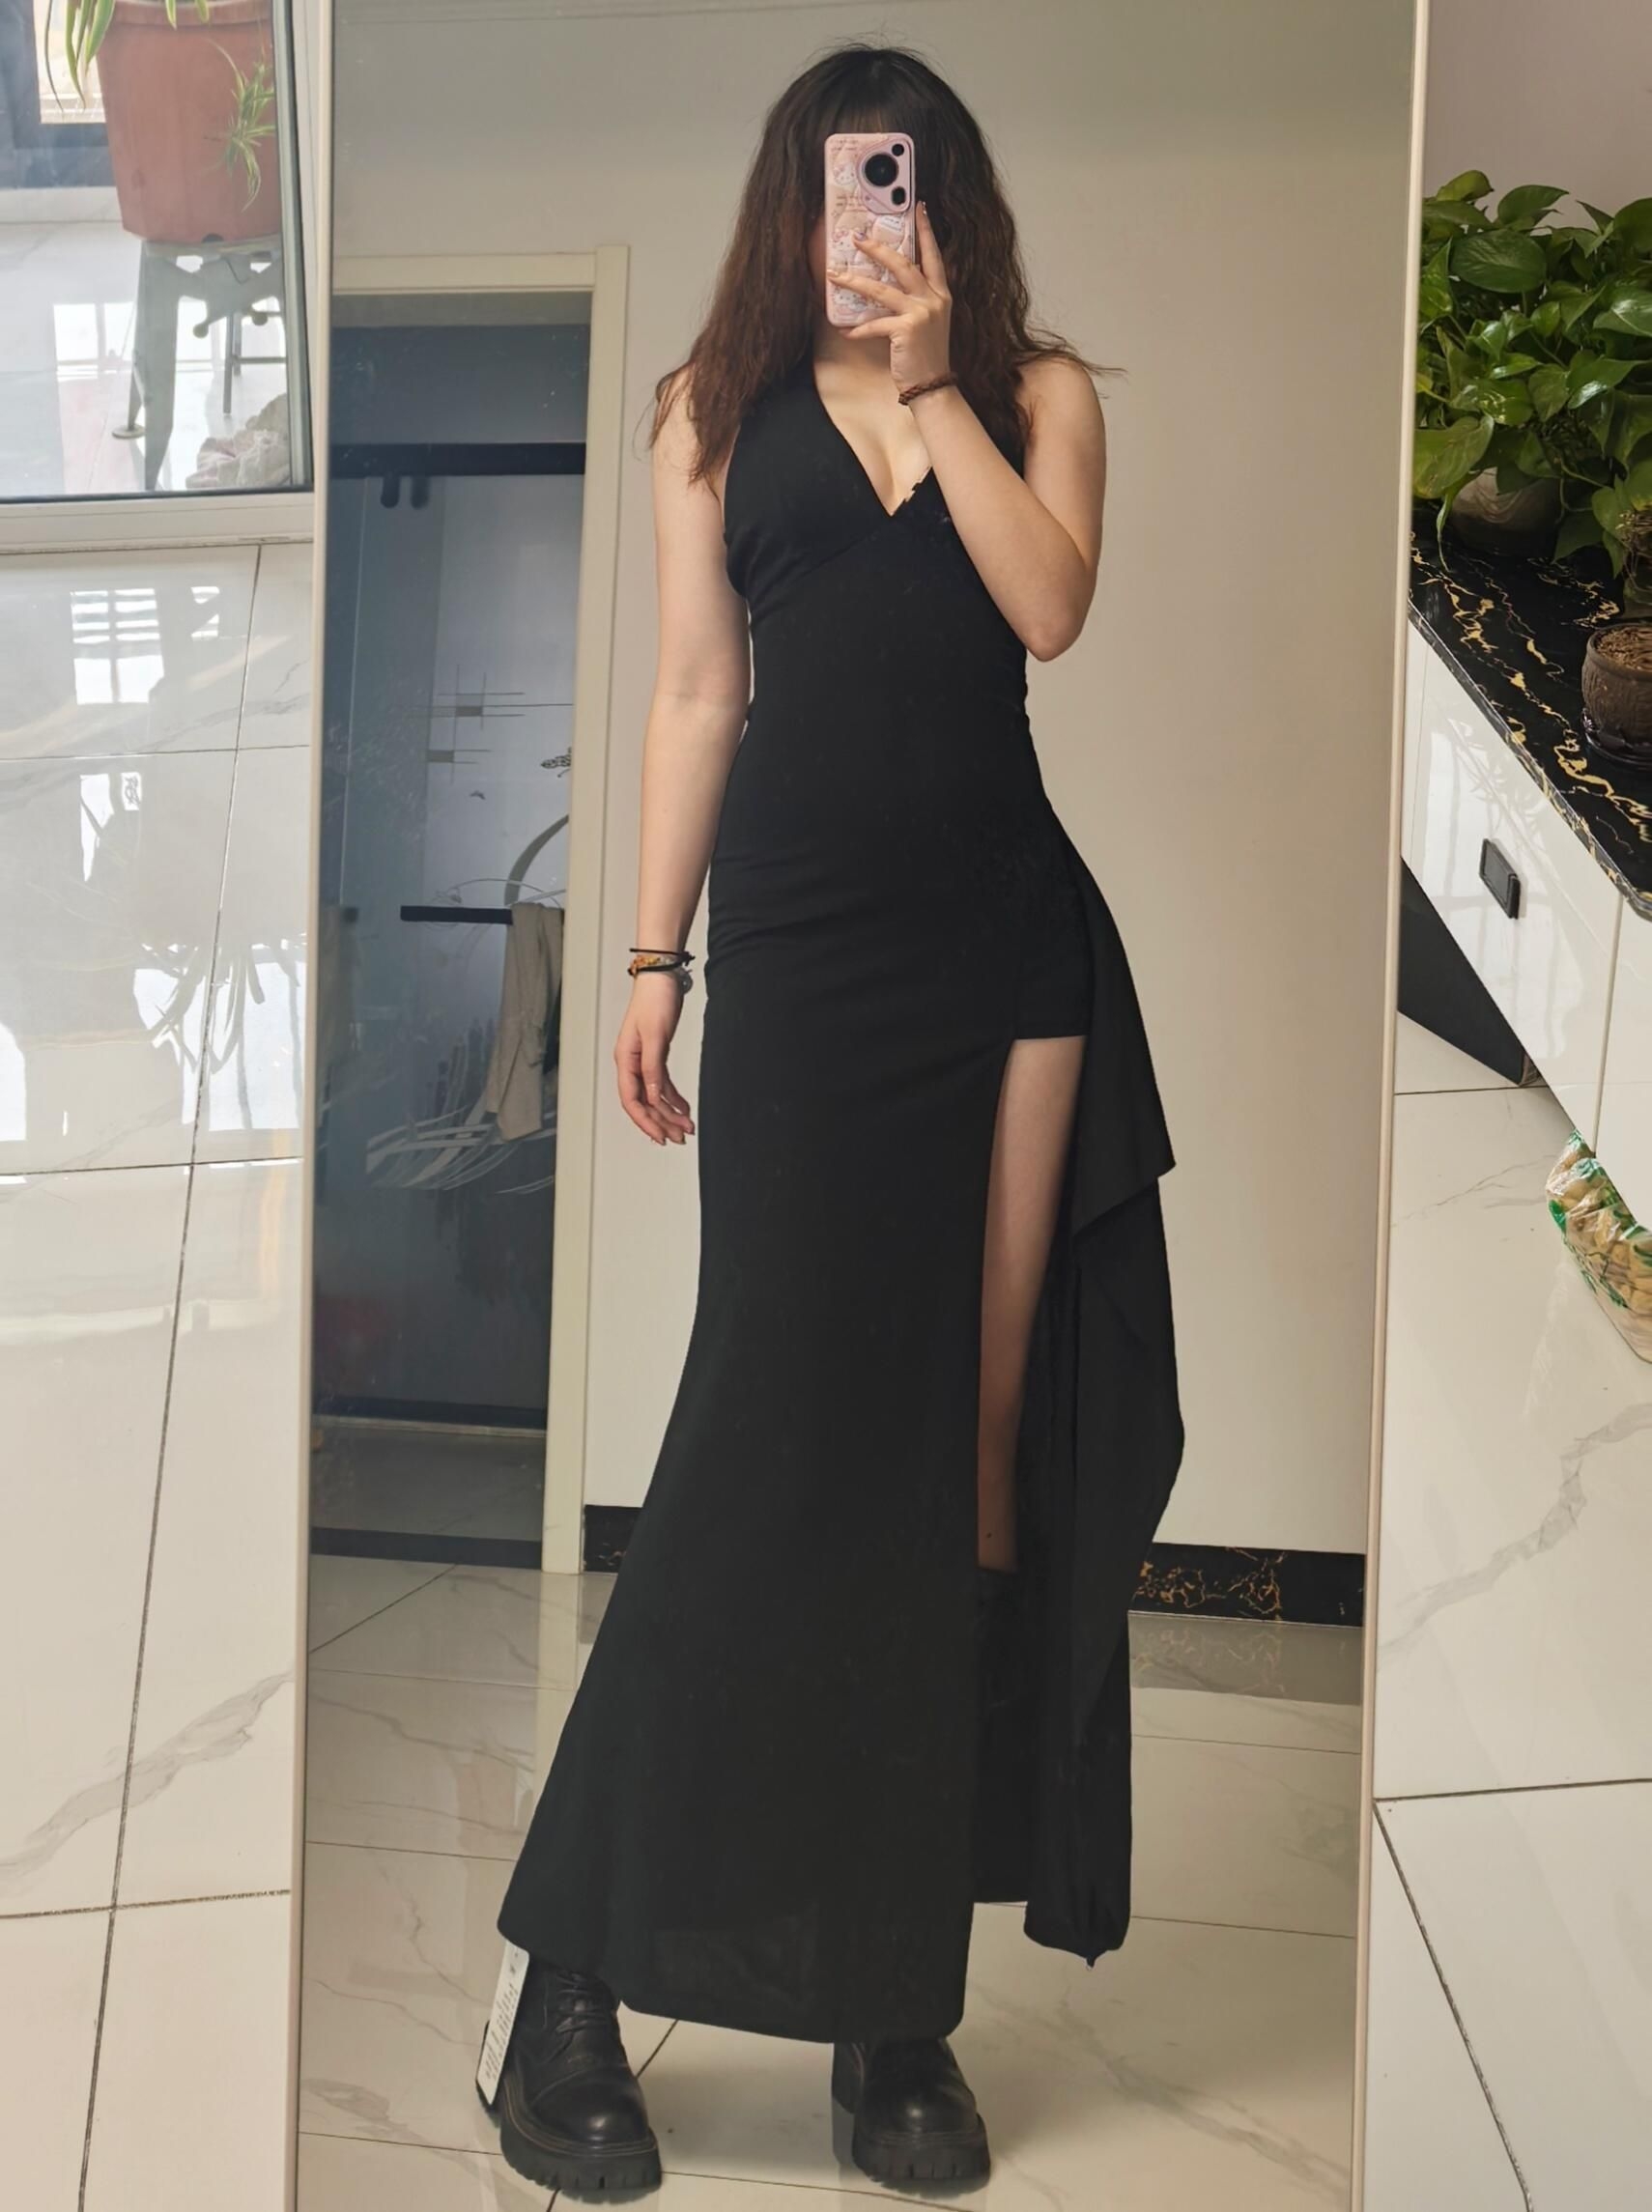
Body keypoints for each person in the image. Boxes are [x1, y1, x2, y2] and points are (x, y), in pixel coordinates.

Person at [484, 42, 1182, 2198]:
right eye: (834, 181)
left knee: (966, 1451)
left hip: (1010, 961)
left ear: (946, 202)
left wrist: (937, 384)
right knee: (762, 1430)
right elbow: (701, 692)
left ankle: (898, 2002)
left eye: (898, 180)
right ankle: (569, 1979)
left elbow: (1048, 606)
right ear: (788, 201)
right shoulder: (706, 408)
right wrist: (648, 958)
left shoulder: (1039, 396)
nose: (861, 216)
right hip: (799, 952)